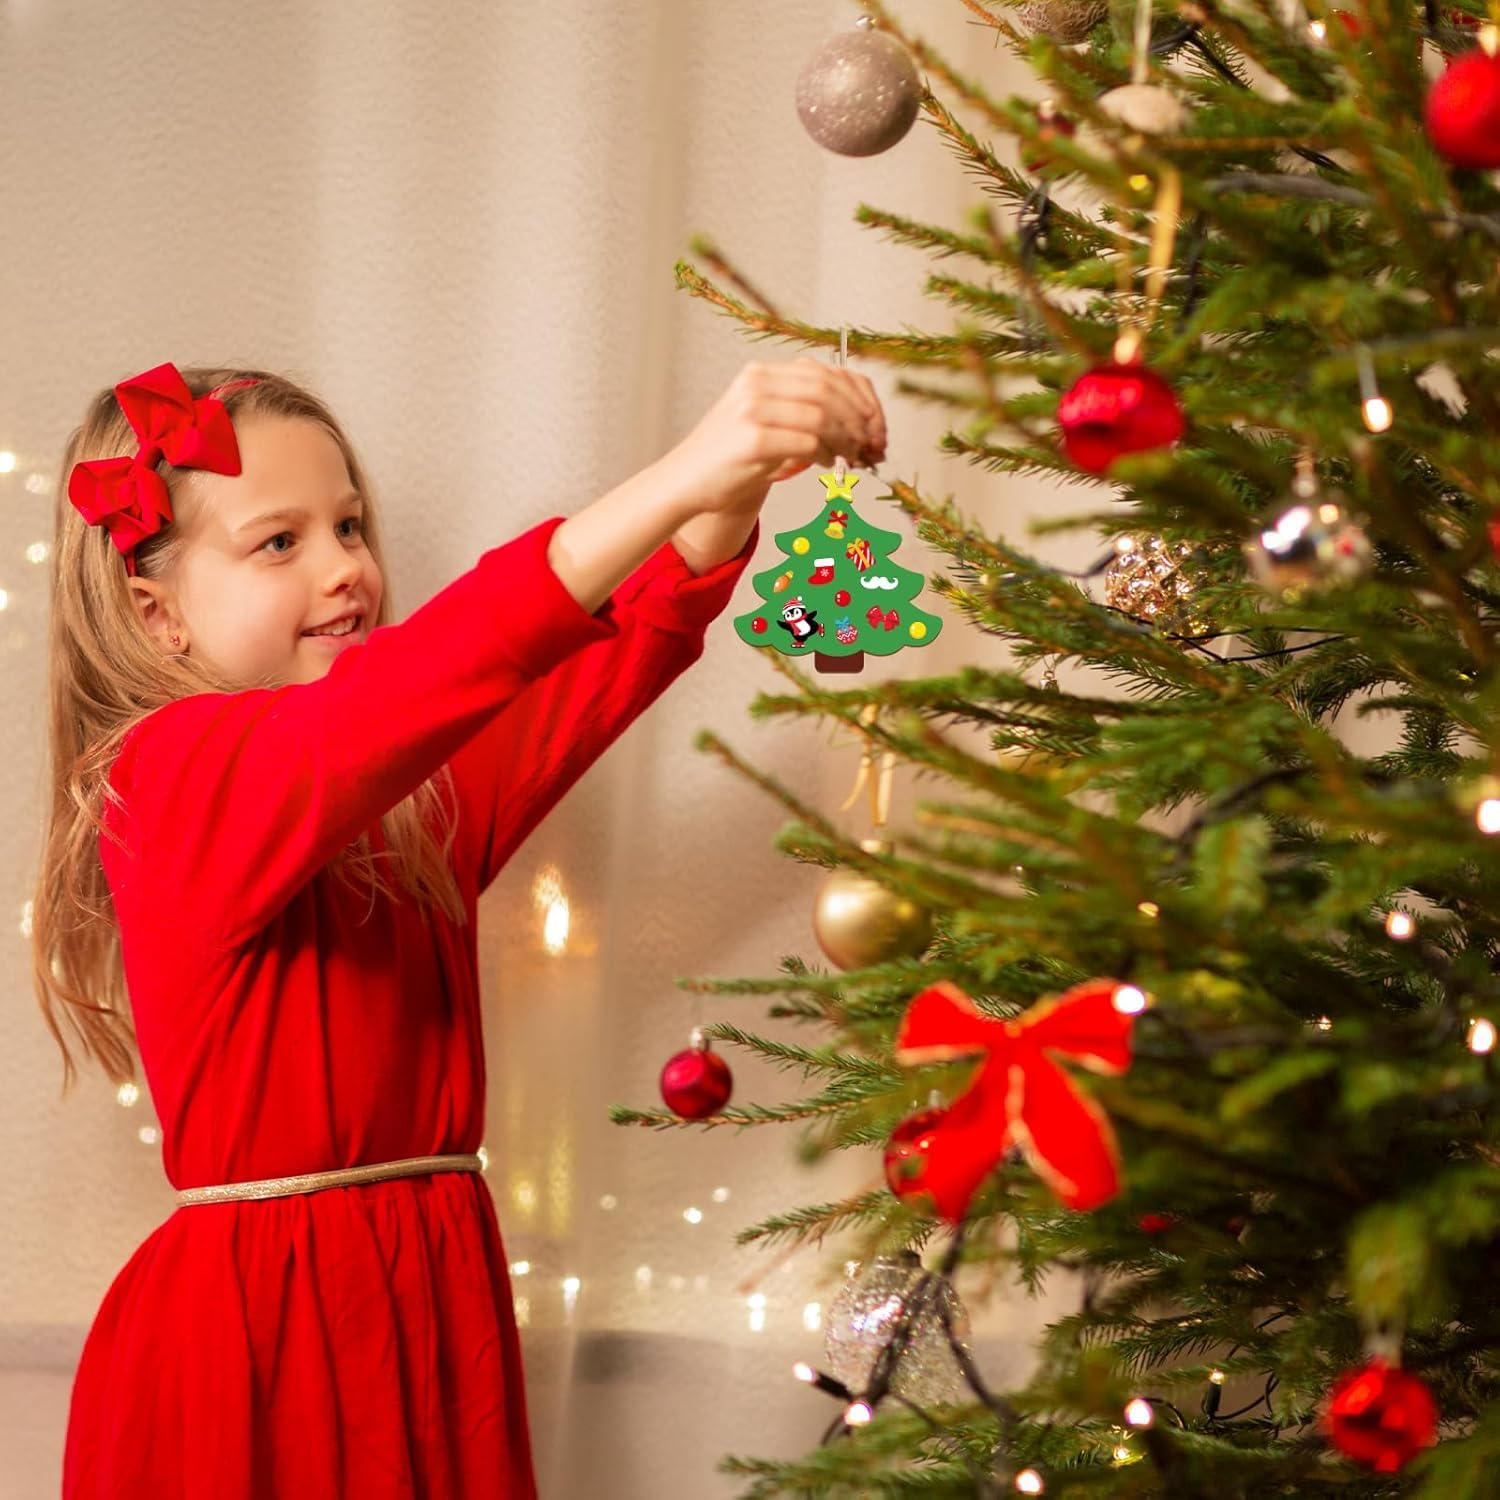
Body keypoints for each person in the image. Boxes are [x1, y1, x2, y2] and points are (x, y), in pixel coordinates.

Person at [30, 356, 887, 1498]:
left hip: (426, 1295)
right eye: (279, 542)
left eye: (350, 526)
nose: (347, 570)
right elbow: (437, 670)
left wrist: (722, 503)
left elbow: (593, 667)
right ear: (158, 614)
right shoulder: (168, 783)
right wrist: (684, 470)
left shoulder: (406, 805)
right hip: (258, 1341)